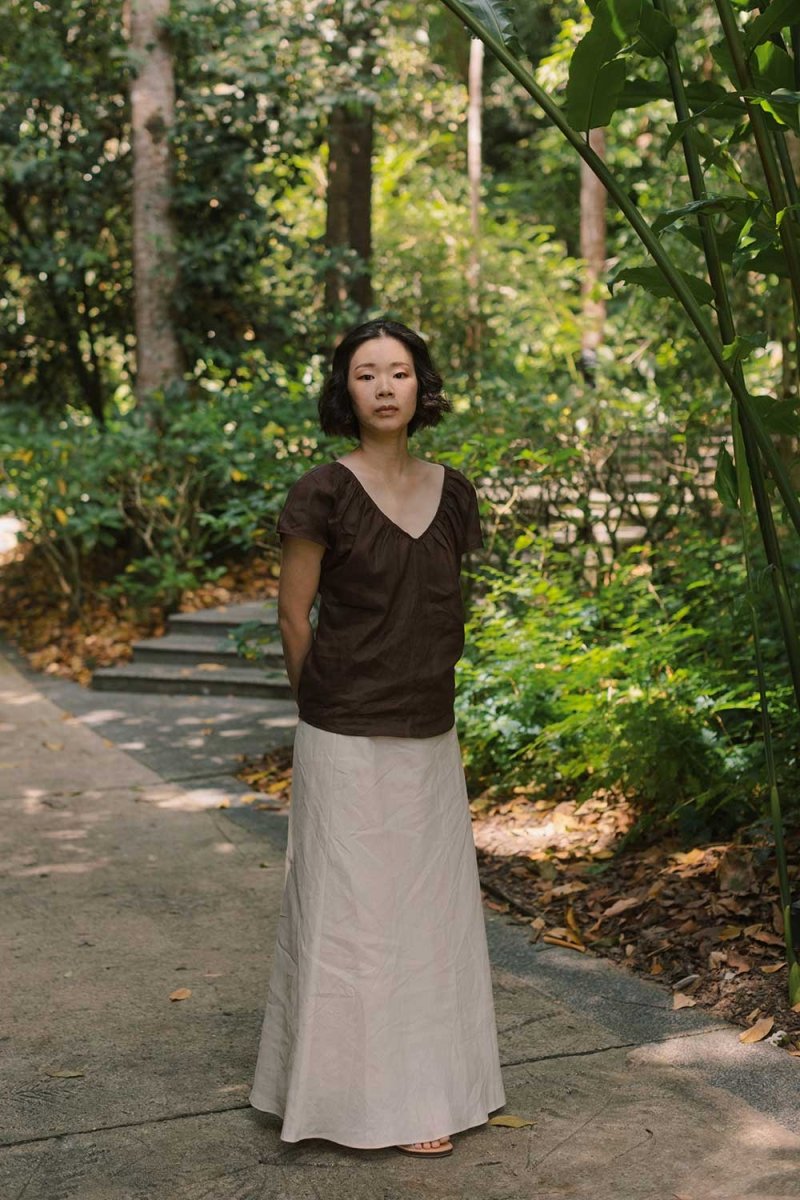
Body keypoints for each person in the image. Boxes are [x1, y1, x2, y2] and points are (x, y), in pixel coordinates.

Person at [248, 317, 506, 1157]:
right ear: (346, 391)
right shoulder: (321, 492)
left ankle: (429, 1092)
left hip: (429, 728)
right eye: (366, 374)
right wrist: (323, 704)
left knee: (427, 915)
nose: (385, 387)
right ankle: (344, 1101)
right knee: (350, 917)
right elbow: (294, 616)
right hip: (341, 731)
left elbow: (438, 604)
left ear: (421, 385)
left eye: (398, 371)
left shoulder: (455, 491)